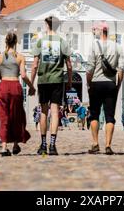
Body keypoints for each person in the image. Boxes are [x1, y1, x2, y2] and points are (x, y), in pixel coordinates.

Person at [30, 16, 72, 156]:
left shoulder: (40, 41)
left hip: (43, 80)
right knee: (54, 112)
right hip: (57, 80)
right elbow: (69, 65)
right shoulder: (62, 42)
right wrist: (70, 80)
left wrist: (31, 83)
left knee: (43, 111)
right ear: (58, 26)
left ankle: (43, 145)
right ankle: (53, 145)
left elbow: (35, 65)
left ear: (46, 25)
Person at [86, 21, 124, 155]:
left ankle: (95, 143)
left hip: (96, 83)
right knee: (109, 116)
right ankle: (108, 145)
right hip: (110, 85)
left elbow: (89, 69)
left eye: (95, 29)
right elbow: (121, 70)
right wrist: (117, 86)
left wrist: (88, 84)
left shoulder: (93, 46)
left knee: (94, 115)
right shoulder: (118, 47)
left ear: (101, 31)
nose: (94, 32)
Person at [0, 31, 35, 157]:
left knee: (4, 117)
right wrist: (31, 87)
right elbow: (23, 75)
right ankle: (15, 145)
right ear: (16, 42)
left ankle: (3, 147)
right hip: (15, 87)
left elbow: (0, 74)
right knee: (16, 116)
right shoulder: (20, 57)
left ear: (6, 42)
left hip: (3, 86)